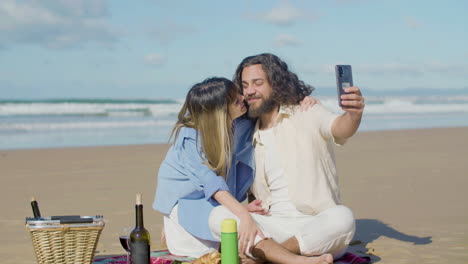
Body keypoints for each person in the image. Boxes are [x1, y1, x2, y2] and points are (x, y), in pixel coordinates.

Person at [153, 77, 327, 264]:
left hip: (214, 204)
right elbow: (212, 183)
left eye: (239, 94)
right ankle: (295, 261)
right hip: (186, 205)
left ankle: (267, 254)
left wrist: (299, 101)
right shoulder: (190, 138)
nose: (243, 98)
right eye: (235, 100)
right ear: (219, 112)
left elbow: (269, 106)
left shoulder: (239, 124)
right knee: (234, 225)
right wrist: (243, 214)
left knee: (235, 227)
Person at [221, 53, 365, 262]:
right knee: (220, 216)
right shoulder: (247, 133)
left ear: (275, 83)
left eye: (257, 83)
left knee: (343, 217)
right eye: (244, 85)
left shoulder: (307, 111)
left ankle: (271, 256)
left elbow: (339, 128)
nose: (250, 90)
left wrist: (354, 114)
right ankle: (284, 257)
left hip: (316, 227)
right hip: (272, 227)